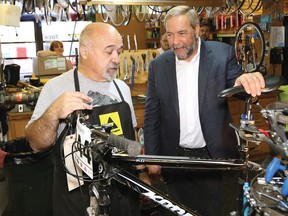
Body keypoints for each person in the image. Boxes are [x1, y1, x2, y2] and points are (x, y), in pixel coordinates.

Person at [143, 6, 265, 216]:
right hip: (174, 158)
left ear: (197, 30)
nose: (175, 42)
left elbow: (236, 85)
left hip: (210, 157)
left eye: (182, 33)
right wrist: (152, 157)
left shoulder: (221, 54)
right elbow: (152, 113)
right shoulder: (158, 65)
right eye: (170, 35)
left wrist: (244, 80)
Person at [25, 23, 147, 216]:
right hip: (77, 201)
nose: (116, 58)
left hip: (123, 195)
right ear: (85, 51)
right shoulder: (56, 87)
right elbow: (36, 144)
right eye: (109, 52)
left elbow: (130, 136)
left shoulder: (122, 89)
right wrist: (53, 112)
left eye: (119, 51)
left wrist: (142, 174)